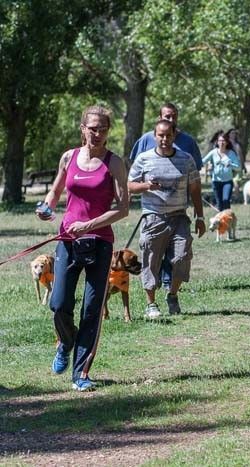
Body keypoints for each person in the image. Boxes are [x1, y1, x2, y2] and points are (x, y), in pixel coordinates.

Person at [39, 105, 129, 391]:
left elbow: (124, 208)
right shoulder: (70, 157)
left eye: (103, 128)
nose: (98, 133)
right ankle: (66, 342)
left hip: (100, 243)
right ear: (83, 129)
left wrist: (89, 226)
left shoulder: (114, 163)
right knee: (58, 303)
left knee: (92, 309)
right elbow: (55, 191)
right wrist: (47, 207)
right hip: (67, 240)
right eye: (93, 128)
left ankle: (81, 373)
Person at [128, 119, 206, 318]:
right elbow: (129, 185)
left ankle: (172, 294)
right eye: (160, 135)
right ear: (155, 136)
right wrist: (146, 186)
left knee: (181, 257)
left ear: (174, 135)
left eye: (168, 135)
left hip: (179, 216)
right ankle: (151, 303)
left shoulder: (186, 159)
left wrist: (200, 217)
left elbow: (195, 189)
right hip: (154, 217)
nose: (164, 139)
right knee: (151, 259)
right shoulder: (144, 159)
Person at [202, 132, 240, 210]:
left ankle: (229, 219)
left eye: (223, 141)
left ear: (227, 142)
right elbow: (203, 161)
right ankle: (221, 220)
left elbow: (238, 167)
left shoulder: (231, 153)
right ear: (217, 142)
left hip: (227, 182)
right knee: (219, 204)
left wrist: (230, 165)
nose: (221, 143)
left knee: (226, 201)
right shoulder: (213, 152)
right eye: (220, 141)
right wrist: (192, 164)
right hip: (216, 182)